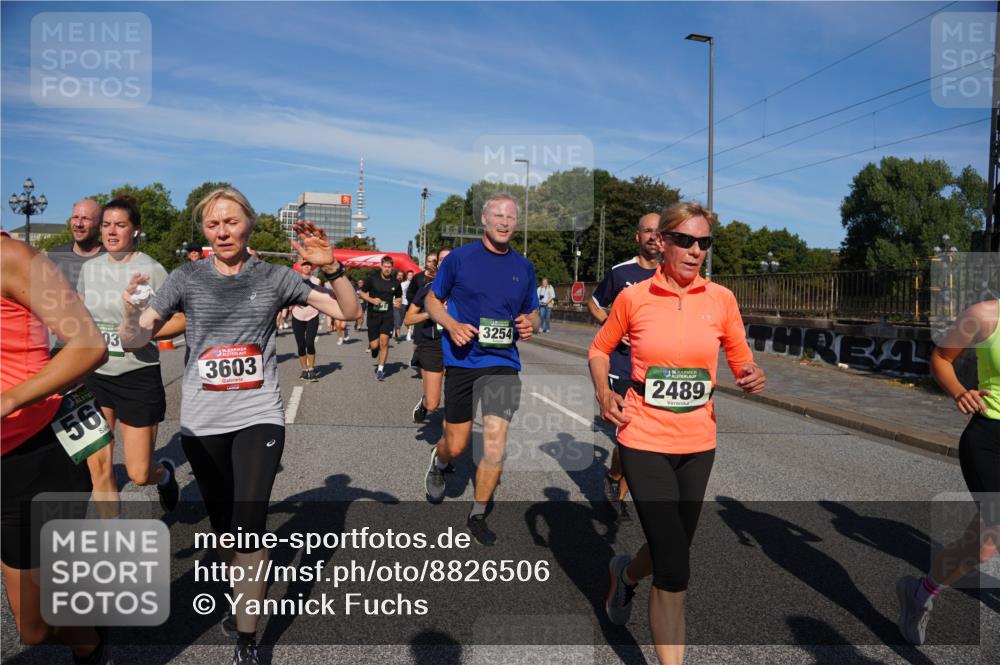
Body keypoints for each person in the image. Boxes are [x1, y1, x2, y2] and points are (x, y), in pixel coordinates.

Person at [120, 187, 358, 665]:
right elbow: (135, 338)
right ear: (204, 231)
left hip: (259, 416)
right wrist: (131, 313)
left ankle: (247, 640)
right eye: (213, 224)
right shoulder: (187, 277)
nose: (223, 231)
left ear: (249, 222)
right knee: (227, 532)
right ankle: (242, 598)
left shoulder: (275, 277)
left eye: (231, 221)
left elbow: (348, 312)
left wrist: (332, 267)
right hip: (203, 422)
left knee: (248, 531)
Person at [588, 201, 765, 665]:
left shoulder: (721, 299)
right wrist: (607, 398)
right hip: (644, 438)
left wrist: (749, 373)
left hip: (698, 443)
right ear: (662, 242)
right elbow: (599, 351)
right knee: (675, 568)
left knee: (674, 545)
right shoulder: (635, 297)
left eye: (703, 243)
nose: (694, 250)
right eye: (684, 240)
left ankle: (624, 575)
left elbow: (740, 356)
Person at [1, 233, 111, 665]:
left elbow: (89, 344)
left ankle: (91, 643)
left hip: (32, 452)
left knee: (34, 628)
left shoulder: (13, 257)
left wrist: (8, 400)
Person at [423, 193, 540, 546]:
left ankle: (477, 512)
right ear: (485, 220)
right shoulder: (459, 259)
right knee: (456, 445)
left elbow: (532, 310)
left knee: (494, 445)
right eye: (498, 216)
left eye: (510, 217)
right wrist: (451, 324)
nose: (504, 222)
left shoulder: (524, 267)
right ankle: (440, 463)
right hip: (462, 359)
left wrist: (529, 322)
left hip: (502, 362)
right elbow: (432, 300)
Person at [896, 297, 999, 645]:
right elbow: (941, 358)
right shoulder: (985, 315)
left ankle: (919, 592)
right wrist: (959, 392)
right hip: (990, 440)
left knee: (982, 545)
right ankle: (920, 595)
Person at [77, 197, 181, 515]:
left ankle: (163, 474)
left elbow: (180, 319)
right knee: (99, 469)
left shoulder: (151, 270)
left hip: (137, 374)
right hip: (94, 374)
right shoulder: (89, 268)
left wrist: (140, 332)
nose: (111, 231)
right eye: (106, 224)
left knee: (138, 473)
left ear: (135, 230)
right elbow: (81, 315)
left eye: (120, 225)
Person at [587, 212, 662, 523]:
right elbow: (593, 302)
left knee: (644, 440)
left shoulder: (672, 275)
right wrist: (611, 328)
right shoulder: (621, 273)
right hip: (621, 365)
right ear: (638, 236)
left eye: (659, 232)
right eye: (648, 231)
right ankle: (618, 484)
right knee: (630, 434)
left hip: (658, 370)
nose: (654, 237)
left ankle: (617, 487)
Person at [405, 248, 450, 423]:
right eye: (442, 259)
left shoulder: (466, 291)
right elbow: (408, 319)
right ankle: (424, 404)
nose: (445, 261)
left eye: (450, 258)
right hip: (433, 345)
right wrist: (431, 313)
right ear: (438, 264)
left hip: (458, 344)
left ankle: (448, 445)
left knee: (455, 400)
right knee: (433, 404)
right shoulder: (428, 289)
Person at [46, 199, 105, 297]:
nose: (78, 224)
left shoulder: (112, 257)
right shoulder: (55, 256)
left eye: (85, 218)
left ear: (100, 227)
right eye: (75, 217)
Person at [361, 256, 402, 381]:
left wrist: (398, 303)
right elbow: (362, 293)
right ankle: (374, 349)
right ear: (381, 266)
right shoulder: (372, 279)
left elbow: (399, 297)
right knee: (375, 345)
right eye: (385, 267)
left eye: (389, 267)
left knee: (384, 342)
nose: (387, 269)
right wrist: (371, 300)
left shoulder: (395, 282)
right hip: (373, 315)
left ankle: (380, 369)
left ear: (392, 268)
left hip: (387, 316)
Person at [290, 261, 321, 381]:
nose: (307, 267)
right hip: (297, 314)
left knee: (309, 343)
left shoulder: (317, 281)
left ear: (311, 267)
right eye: (304, 265)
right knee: (301, 344)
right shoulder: (294, 280)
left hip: (312, 314)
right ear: (300, 267)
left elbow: (321, 297)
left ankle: (311, 369)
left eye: (309, 265)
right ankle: (304, 370)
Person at [401, 270, 415, 341]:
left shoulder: (415, 284)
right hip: (404, 302)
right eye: (409, 275)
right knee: (405, 320)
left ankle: (409, 333)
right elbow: (400, 293)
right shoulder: (403, 284)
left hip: (412, 303)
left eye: (412, 275)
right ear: (407, 276)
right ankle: (409, 330)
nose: (410, 276)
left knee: (409, 318)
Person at [393, 269, 406, 340]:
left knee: (401, 320)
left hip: (404, 303)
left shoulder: (406, 283)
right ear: (396, 276)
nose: (400, 277)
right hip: (395, 304)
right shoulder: (392, 283)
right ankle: (398, 335)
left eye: (401, 275)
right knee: (397, 319)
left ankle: (396, 330)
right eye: (398, 275)